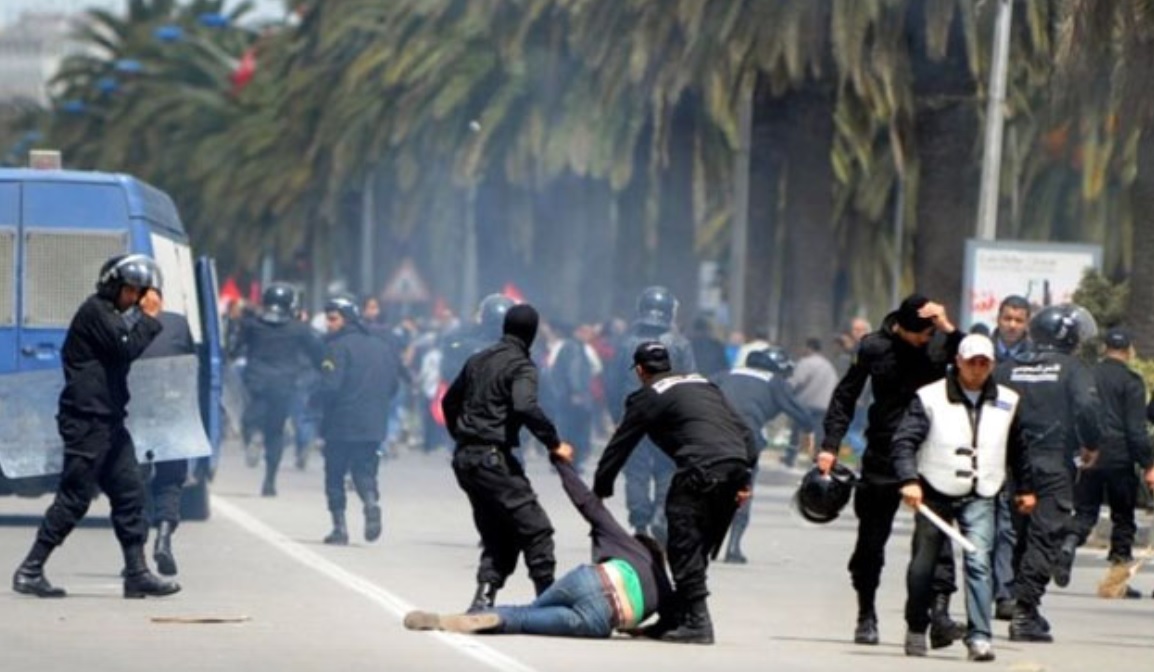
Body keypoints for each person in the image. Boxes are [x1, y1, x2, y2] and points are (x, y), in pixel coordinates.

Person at [12, 254, 179, 599]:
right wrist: (148, 317)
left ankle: (136, 572)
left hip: (109, 421)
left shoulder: (114, 317)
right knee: (74, 498)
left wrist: (142, 317)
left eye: (140, 292)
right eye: (131, 291)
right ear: (113, 286)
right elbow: (127, 348)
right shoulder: (96, 313)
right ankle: (30, 570)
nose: (135, 298)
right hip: (86, 421)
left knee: (131, 493)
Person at [403, 443, 675, 638]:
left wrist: (561, 463)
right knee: (526, 621)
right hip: (601, 619)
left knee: (526, 610)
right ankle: (486, 621)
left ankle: (465, 617)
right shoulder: (664, 591)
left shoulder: (630, 546)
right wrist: (641, 630)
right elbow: (671, 622)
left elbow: (587, 503)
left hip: (590, 580)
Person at [817, 294, 964, 647]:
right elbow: (845, 395)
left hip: (929, 452)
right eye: (922, 334)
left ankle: (939, 615)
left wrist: (947, 326)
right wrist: (830, 445)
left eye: (932, 333)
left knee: (937, 537)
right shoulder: (873, 347)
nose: (927, 340)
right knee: (871, 541)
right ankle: (866, 614)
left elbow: (974, 362)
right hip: (883, 451)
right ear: (902, 327)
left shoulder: (941, 342)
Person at [594, 341, 757, 645]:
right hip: (735, 467)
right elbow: (746, 434)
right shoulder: (703, 383)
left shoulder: (647, 395)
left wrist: (600, 489)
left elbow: (621, 443)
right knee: (697, 548)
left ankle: (698, 624)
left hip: (701, 468)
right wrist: (745, 482)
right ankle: (675, 618)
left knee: (682, 545)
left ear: (641, 370)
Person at [891, 334, 1036, 662]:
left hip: (982, 492)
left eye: (984, 363)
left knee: (979, 561)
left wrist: (1026, 489)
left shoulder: (1008, 401)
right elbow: (904, 441)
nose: (977, 369)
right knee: (923, 565)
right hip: (934, 492)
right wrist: (909, 480)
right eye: (971, 362)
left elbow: (1018, 449)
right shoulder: (929, 397)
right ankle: (916, 627)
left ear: (992, 365)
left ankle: (980, 637)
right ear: (958, 362)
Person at [442, 303, 571, 612]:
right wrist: (554, 443)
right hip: (491, 457)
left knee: (499, 532)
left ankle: (483, 600)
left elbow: (449, 401)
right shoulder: (522, 365)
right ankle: (547, 602)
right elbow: (525, 406)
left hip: (466, 460)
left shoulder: (477, 359)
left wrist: (461, 436)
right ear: (533, 334)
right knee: (536, 529)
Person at [995, 303, 1101, 642]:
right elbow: (1086, 407)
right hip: (1052, 461)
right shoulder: (1072, 368)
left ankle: (1017, 600)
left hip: (1011, 465)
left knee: (1018, 536)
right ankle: (1025, 613)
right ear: (1068, 336)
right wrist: (1091, 443)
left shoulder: (1008, 368)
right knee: (1045, 536)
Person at [604, 286, 697, 545]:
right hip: (669, 417)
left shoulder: (626, 343)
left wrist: (615, 416)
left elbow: (612, 383)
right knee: (667, 469)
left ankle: (640, 524)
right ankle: (660, 513)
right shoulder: (679, 343)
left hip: (633, 415)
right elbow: (691, 382)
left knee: (636, 472)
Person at [1066, 328, 1154, 599]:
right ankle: (1117, 579)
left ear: (1105, 348)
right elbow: (1136, 428)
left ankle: (1068, 543)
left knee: (1084, 512)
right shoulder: (1131, 382)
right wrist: (1148, 462)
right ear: (1128, 351)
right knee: (1123, 519)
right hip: (1120, 457)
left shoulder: (1087, 375)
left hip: (1089, 455)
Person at [315, 294, 406, 545]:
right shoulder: (381, 346)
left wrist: (315, 405)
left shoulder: (336, 347)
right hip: (373, 424)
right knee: (364, 472)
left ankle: (339, 529)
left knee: (334, 475)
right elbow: (393, 385)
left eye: (333, 319)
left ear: (346, 319)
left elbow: (330, 387)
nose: (328, 324)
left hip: (341, 424)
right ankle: (371, 502)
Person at [710, 347, 814, 563]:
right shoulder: (774, 381)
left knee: (706, 486)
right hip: (745, 440)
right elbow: (799, 413)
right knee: (743, 489)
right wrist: (809, 429)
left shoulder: (726, 373)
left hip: (712, 434)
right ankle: (733, 548)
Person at [231, 282, 324, 496]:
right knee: (275, 432)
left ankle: (253, 436)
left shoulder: (251, 325)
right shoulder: (299, 329)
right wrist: (326, 368)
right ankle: (270, 481)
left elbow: (235, 348)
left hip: (256, 383)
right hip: (285, 385)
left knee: (249, 420)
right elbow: (317, 353)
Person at [138, 310, 196, 576]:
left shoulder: (117, 321)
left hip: (134, 412)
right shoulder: (178, 323)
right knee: (170, 480)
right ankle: (163, 539)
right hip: (172, 410)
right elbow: (192, 364)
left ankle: (135, 557)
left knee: (133, 486)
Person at [989, 295, 1032, 620]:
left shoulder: (1035, 360)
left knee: (1016, 525)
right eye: (1007, 318)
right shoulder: (980, 353)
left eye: (1018, 320)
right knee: (994, 525)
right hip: (985, 451)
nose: (1012, 325)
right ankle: (1001, 589)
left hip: (1021, 451)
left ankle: (1009, 585)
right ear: (998, 318)